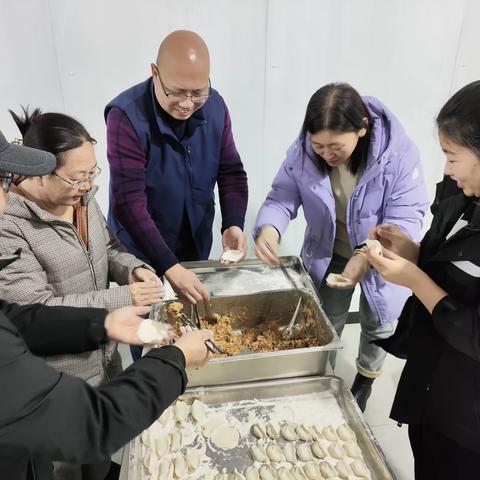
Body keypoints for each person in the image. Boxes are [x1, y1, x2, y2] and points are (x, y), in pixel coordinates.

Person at [0, 129, 213, 480]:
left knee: (98, 463)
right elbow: (35, 307)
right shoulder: (11, 227)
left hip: (103, 359)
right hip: (61, 378)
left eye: (92, 174)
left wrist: (132, 273)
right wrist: (174, 354)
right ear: (39, 174)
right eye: (76, 177)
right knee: (68, 463)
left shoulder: (83, 201)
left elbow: (109, 248)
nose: (86, 185)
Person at [254, 83, 429, 411]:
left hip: (382, 257)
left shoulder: (398, 155)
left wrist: (367, 254)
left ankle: (366, 379)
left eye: (335, 146)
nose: (326, 154)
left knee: (378, 320)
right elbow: (282, 195)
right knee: (325, 314)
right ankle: (321, 372)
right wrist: (269, 229)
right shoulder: (305, 151)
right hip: (331, 251)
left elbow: (406, 215)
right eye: (319, 145)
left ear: (361, 128)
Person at [367, 81, 480, 479]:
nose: (447, 168)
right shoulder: (462, 192)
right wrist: (412, 252)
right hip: (431, 378)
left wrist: (416, 280)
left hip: (468, 411)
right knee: (426, 453)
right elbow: (449, 260)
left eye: (452, 156)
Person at [105, 30, 249, 306]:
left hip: (193, 237)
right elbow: (128, 201)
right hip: (142, 246)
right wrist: (168, 266)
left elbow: (231, 171)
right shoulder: (126, 116)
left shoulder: (215, 106)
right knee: (151, 329)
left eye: (198, 93)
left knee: (190, 318)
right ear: (155, 72)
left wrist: (233, 222)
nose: (186, 104)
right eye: (177, 92)